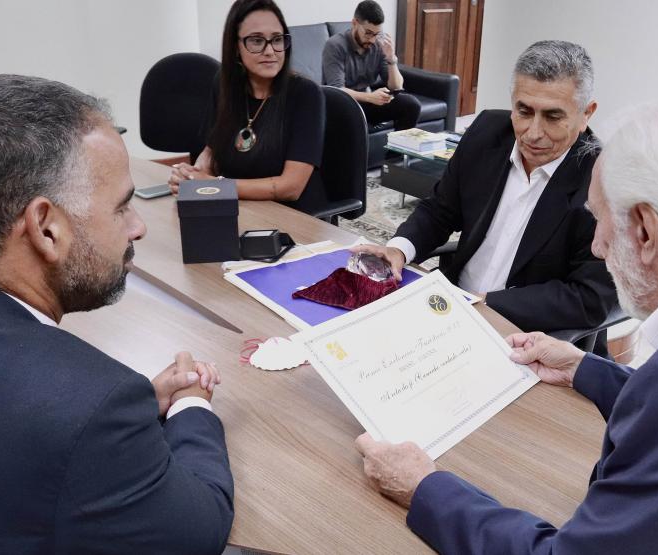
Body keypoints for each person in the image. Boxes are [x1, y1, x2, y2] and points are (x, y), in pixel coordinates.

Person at [354, 99, 658, 553]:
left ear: (645, 231)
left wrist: (424, 488)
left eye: (598, 218)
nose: (597, 246)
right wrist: (588, 369)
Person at [0, 75, 234, 553]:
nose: (138, 227)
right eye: (121, 208)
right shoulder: (90, 409)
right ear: (46, 229)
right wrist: (191, 405)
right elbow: (198, 529)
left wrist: (140, 402)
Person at [355, 40, 615, 342]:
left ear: (586, 114)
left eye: (553, 117)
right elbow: (441, 210)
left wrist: (487, 304)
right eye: (524, 111)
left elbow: (589, 297)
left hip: (525, 335)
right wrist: (398, 249)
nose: (533, 133)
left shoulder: (605, 182)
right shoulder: (487, 132)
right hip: (448, 310)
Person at [169, 0, 327, 213]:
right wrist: (191, 176)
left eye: (277, 40)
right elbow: (211, 150)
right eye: (256, 41)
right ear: (235, 47)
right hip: (237, 208)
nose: (270, 51)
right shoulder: (224, 85)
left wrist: (213, 185)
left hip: (293, 218)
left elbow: (291, 187)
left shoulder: (306, 94)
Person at [322, 0, 422, 131]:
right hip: (341, 106)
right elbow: (336, 90)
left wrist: (391, 59)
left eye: (376, 34)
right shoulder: (335, 45)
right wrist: (370, 97)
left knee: (411, 104)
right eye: (368, 33)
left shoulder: (378, 44)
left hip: (368, 103)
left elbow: (397, 87)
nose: (373, 39)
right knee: (352, 116)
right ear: (354, 23)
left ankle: (397, 151)